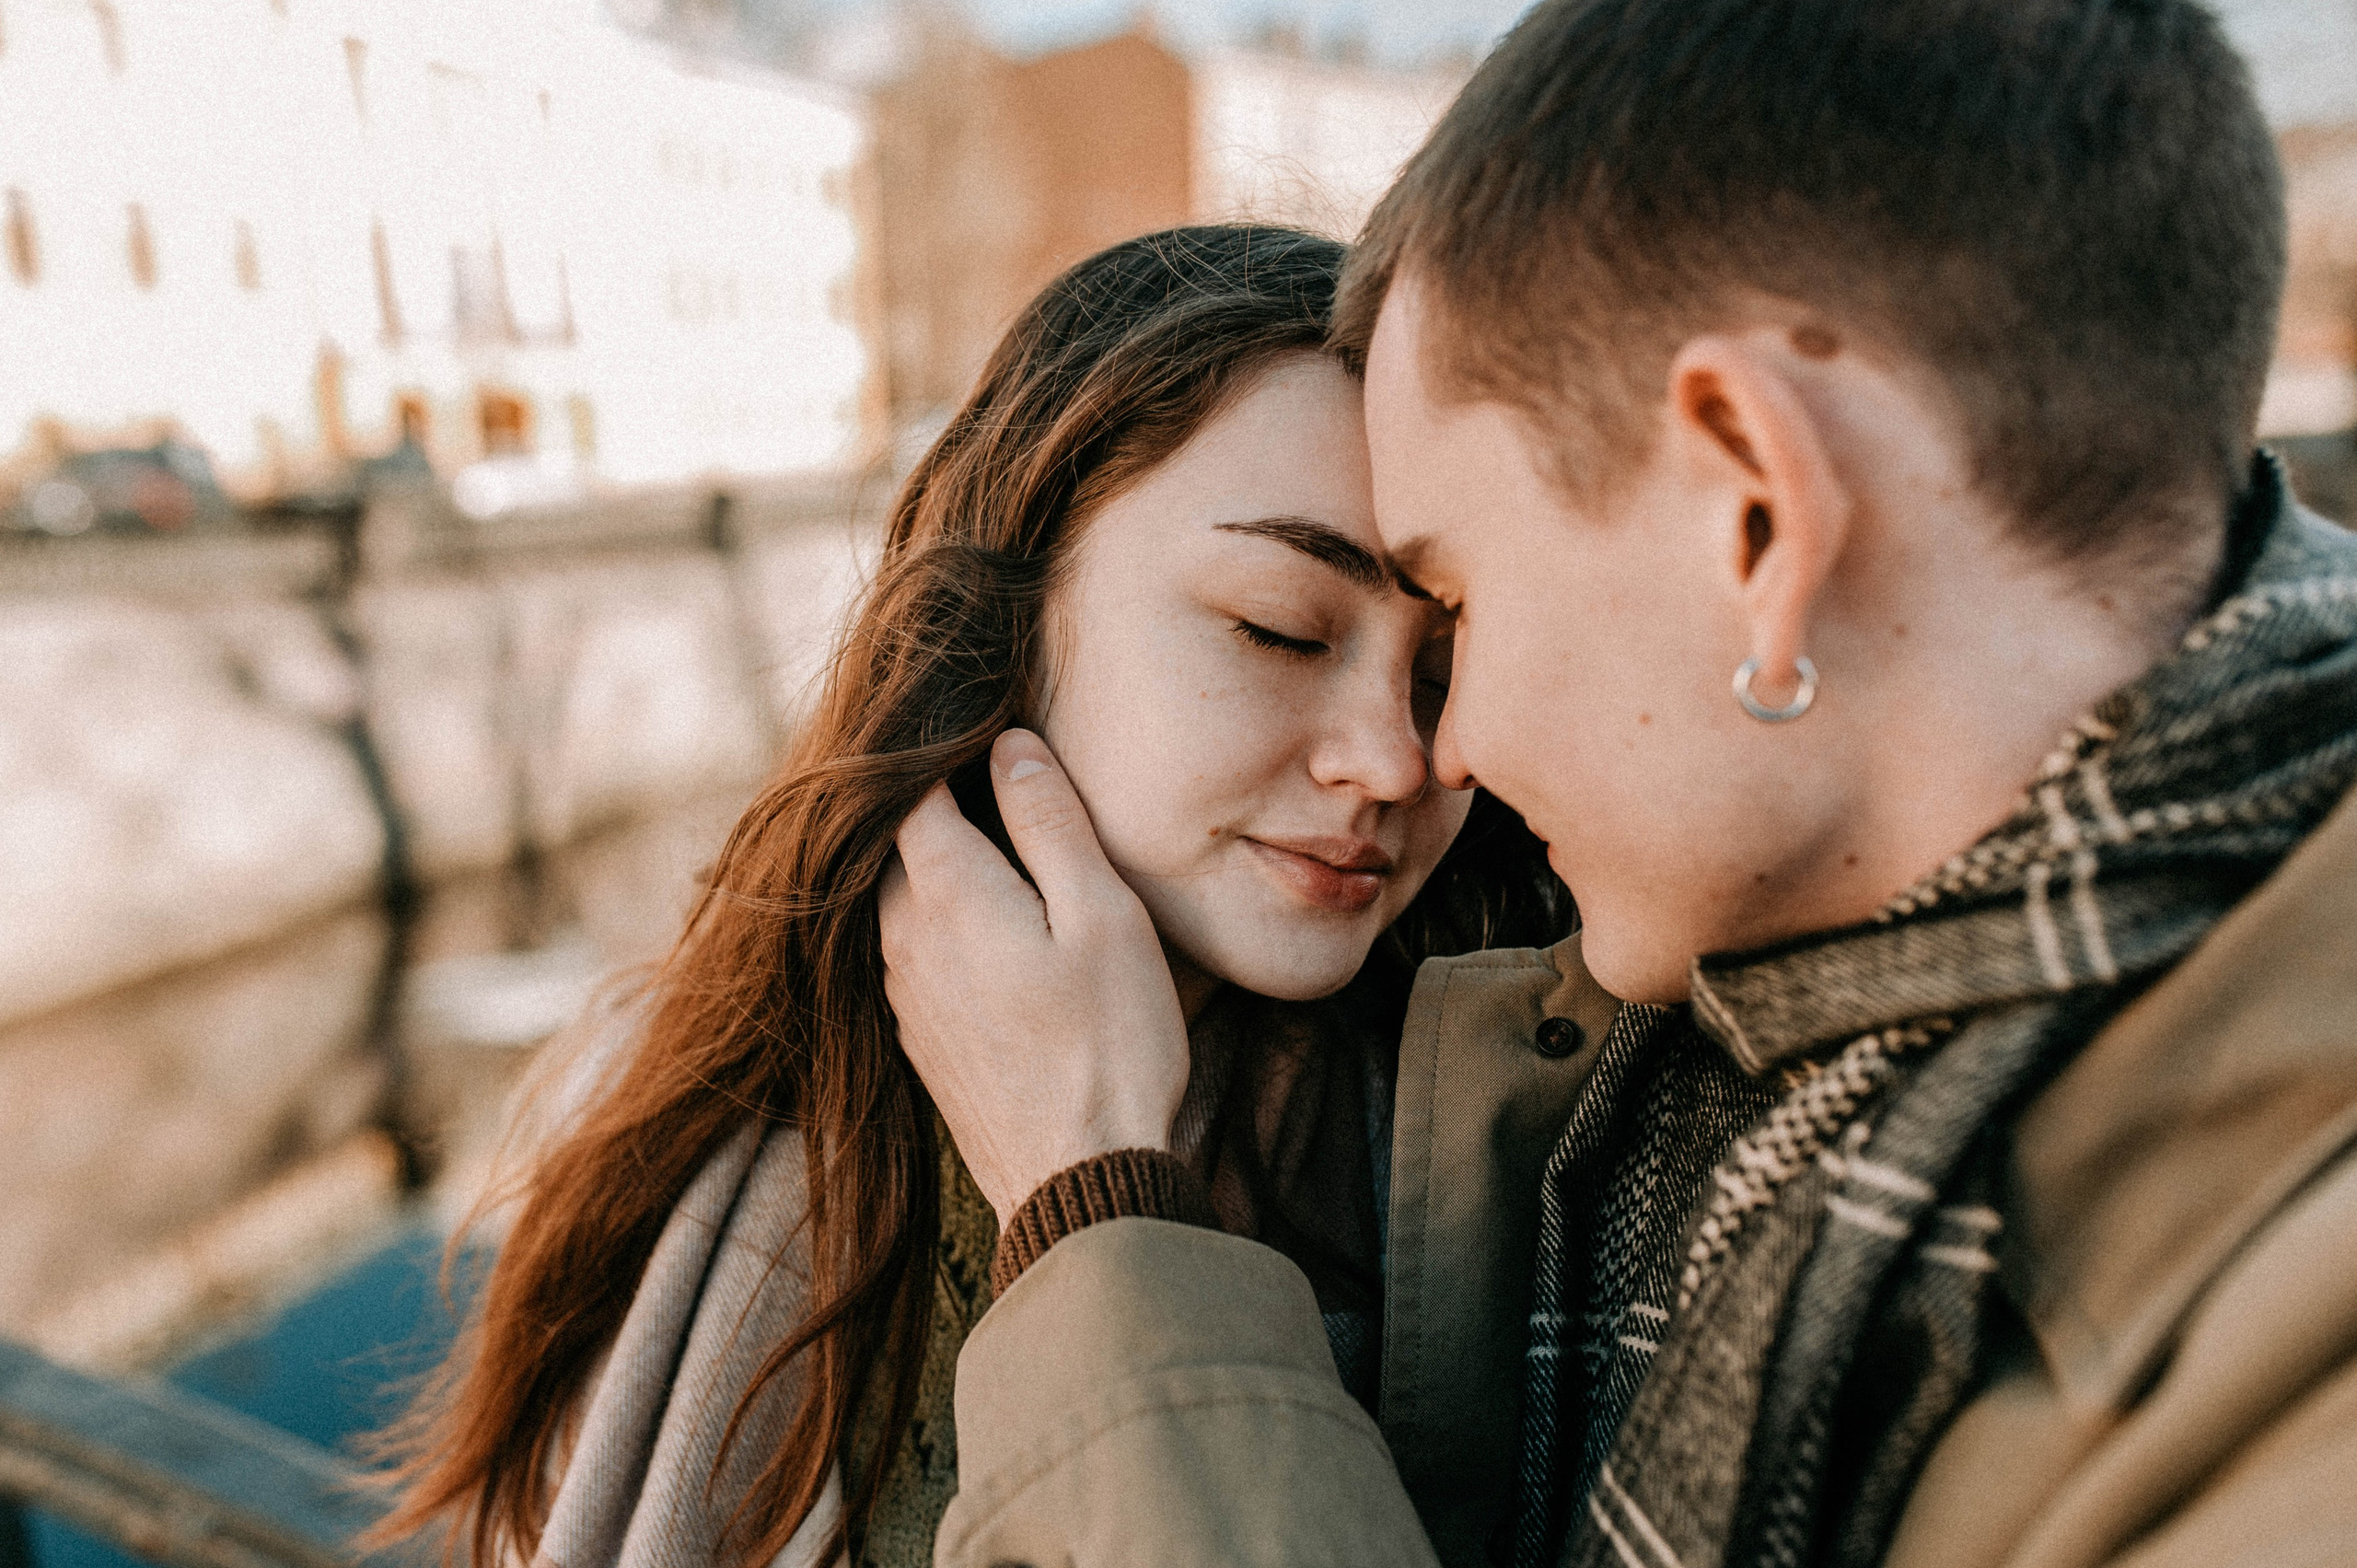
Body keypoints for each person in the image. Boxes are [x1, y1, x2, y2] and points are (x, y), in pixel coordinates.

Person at [878, 3, 2357, 1565]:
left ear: (1762, 524)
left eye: (1462, 609)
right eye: (1276, 630)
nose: (1437, 759)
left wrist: (1104, 1235)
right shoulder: (1760, 1061)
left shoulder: (2284, 1390)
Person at [365, 225, 1573, 1568]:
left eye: (1442, 669)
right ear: (1007, 624)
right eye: (1281, 628)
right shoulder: (792, 1202)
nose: (1397, 760)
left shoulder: (1557, 1110)